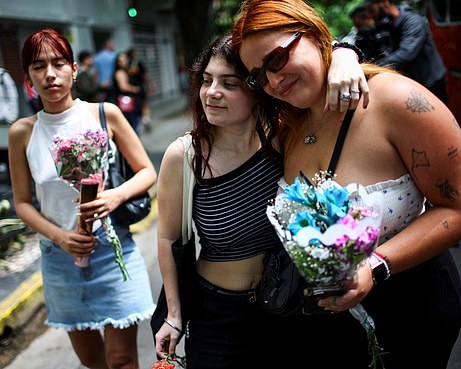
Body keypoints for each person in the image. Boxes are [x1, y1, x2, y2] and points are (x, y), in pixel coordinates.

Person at [232, 1, 461, 368]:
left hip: (412, 311)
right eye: (258, 76)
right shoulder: (286, 124)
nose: (273, 81)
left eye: (277, 59)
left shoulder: (397, 101)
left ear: (317, 35)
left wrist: (376, 266)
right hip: (329, 327)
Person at [154, 33, 369, 368]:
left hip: (284, 307)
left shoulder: (286, 138)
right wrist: (174, 314)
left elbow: (312, 55)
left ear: (257, 90)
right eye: (207, 80)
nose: (212, 92)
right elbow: (168, 238)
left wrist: (344, 55)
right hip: (217, 315)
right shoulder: (184, 156)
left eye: (230, 83)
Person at [8, 28, 156, 369]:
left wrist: (115, 197)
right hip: (60, 259)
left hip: (113, 251)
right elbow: (22, 202)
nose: (50, 74)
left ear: (74, 69)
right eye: (38, 66)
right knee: (93, 361)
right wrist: (61, 237)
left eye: (58, 64)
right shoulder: (22, 133)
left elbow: (148, 171)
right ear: (28, 76)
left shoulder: (104, 115)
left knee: (121, 360)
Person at [365, 0, 448, 103]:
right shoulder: (391, 23)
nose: (370, 15)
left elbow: (406, 53)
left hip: (431, 82)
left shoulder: (413, 21)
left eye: (372, 10)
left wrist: (375, 67)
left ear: (385, 2)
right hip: (416, 82)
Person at [112, 52, 141, 133]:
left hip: (128, 103)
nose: (123, 62)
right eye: (121, 61)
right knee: (132, 127)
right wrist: (135, 89)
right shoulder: (120, 72)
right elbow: (123, 87)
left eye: (124, 60)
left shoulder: (126, 71)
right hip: (126, 103)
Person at [127, 48, 155, 133]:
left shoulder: (135, 63)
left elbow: (144, 75)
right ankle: (145, 121)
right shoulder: (129, 64)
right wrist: (150, 83)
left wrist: (150, 84)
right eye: (134, 53)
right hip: (134, 88)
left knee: (143, 104)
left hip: (139, 87)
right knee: (141, 105)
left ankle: (145, 120)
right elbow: (145, 75)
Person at [93, 38, 117, 103]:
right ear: (108, 45)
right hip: (112, 84)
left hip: (101, 85)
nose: (113, 46)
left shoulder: (97, 57)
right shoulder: (114, 56)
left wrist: (96, 86)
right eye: (112, 44)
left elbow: (95, 73)